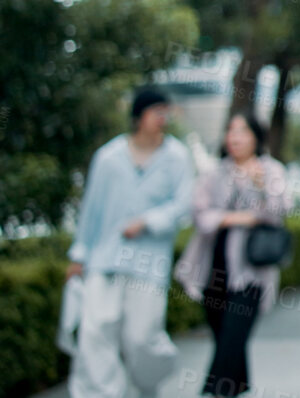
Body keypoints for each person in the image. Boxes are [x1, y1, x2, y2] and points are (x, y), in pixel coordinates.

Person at [65, 86, 195, 398]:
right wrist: (79, 255)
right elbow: (91, 210)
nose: (162, 117)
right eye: (156, 111)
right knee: (95, 333)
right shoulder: (109, 157)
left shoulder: (177, 157)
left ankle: (148, 387)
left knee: (142, 337)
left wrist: (148, 221)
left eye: (166, 111)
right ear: (139, 116)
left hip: (148, 263)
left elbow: (183, 205)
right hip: (104, 259)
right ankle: (102, 393)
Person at [173, 111, 289, 397]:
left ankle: (212, 392)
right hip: (213, 266)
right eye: (231, 130)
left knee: (232, 339)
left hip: (250, 271)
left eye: (243, 131)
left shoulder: (270, 171)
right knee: (224, 338)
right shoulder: (215, 172)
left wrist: (260, 188)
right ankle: (236, 388)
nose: (235, 137)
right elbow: (200, 216)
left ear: (256, 138)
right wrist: (241, 218)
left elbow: (278, 211)